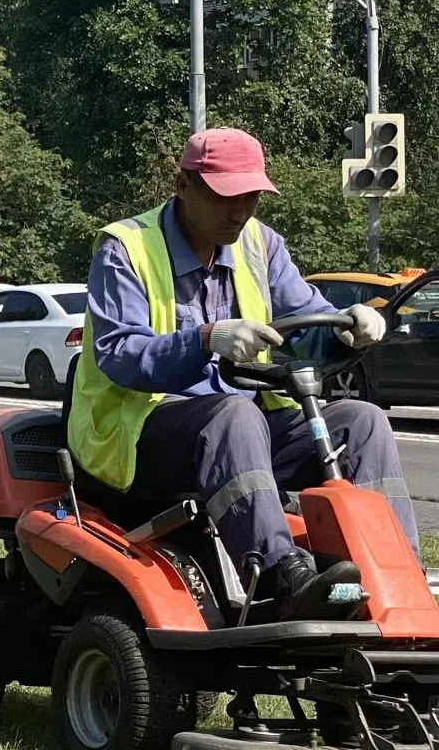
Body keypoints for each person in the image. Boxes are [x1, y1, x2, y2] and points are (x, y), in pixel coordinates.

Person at [69, 128, 408, 622]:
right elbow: (119, 353)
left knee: (361, 421)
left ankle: (396, 576)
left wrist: (348, 329)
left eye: (250, 197)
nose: (239, 211)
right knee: (233, 414)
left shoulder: (261, 245)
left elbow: (307, 324)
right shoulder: (126, 248)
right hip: (141, 436)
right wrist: (204, 339)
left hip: (241, 434)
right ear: (183, 185)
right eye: (225, 197)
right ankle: (282, 577)